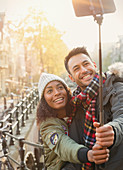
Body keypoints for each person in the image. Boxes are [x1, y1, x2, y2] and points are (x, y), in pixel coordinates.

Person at [64, 46, 123, 170]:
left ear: (94, 65)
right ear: (71, 78)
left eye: (86, 64)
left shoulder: (116, 88)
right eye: (76, 69)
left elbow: (121, 116)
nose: (84, 70)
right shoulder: (74, 105)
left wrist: (114, 130)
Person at [36, 72, 109, 170]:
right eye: (49, 91)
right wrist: (87, 154)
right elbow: (62, 145)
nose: (57, 93)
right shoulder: (47, 124)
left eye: (60, 87)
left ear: (67, 90)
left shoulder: (77, 108)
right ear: (44, 99)